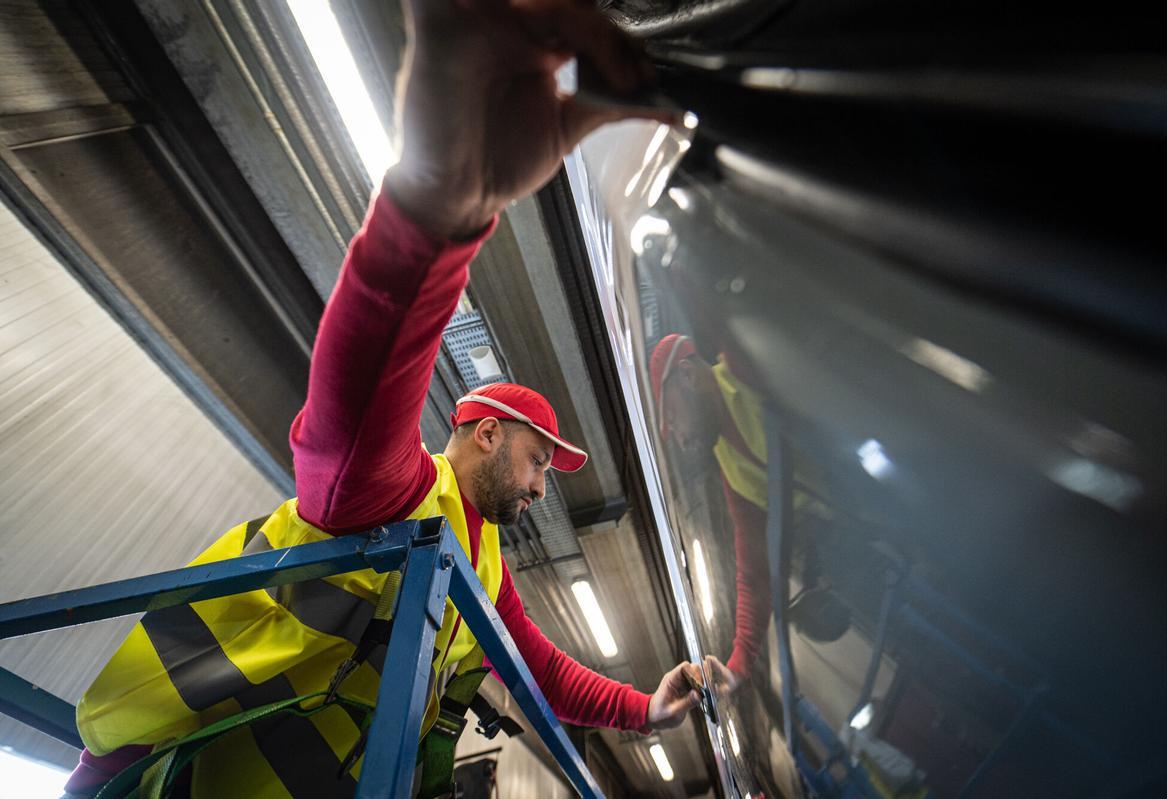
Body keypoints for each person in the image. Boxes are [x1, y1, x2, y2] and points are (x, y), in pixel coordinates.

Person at [63, 1, 700, 795]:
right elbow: (360, 382)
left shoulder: (483, 561)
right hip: (171, 776)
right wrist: (440, 210)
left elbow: (544, 671)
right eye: (539, 461)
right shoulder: (388, 489)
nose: (542, 487)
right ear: (488, 432)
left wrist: (647, 708)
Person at [650, 334, 850, 696]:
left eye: (673, 418)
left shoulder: (746, 364)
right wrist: (738, 665)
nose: (680, 439)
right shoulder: (733, 471)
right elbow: (755, 572)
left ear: (687, 376)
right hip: (869, 524)